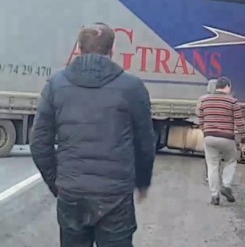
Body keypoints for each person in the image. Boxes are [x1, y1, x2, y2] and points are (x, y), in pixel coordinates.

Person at [30, 22, 156, 247]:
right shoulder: (133, 87)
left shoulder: (55, 85)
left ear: (78, 49)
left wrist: (57, 183)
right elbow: (145, 142)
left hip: (72, 194)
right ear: (112, 51)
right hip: (115, 195)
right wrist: (142, 181)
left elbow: (39, 143)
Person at [196, 76, 245, 205]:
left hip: (209, 137)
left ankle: (214, 196)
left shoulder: (205, 101)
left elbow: (200, 120)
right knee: (230, 161)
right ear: (227, 87)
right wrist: (243, 139)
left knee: (212, 166)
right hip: (227, 138)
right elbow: (239, 123)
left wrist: (206, 132)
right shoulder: (232, 102)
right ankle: (226, 185)